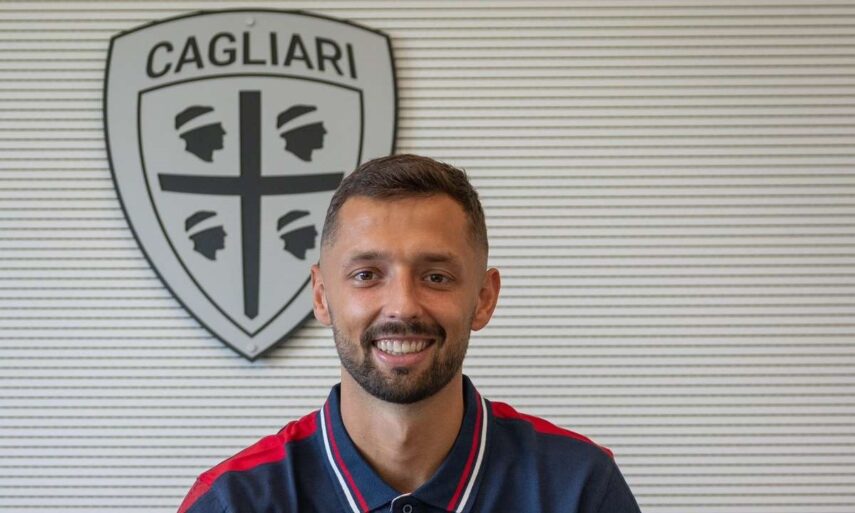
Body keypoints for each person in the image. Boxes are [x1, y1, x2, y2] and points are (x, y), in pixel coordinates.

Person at [177, 154, 641, 513]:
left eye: (436, 276)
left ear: (483, 298)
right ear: (321, 296)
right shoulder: (233, 501)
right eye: (366, 275)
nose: (402, 306)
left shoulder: (580, 489)